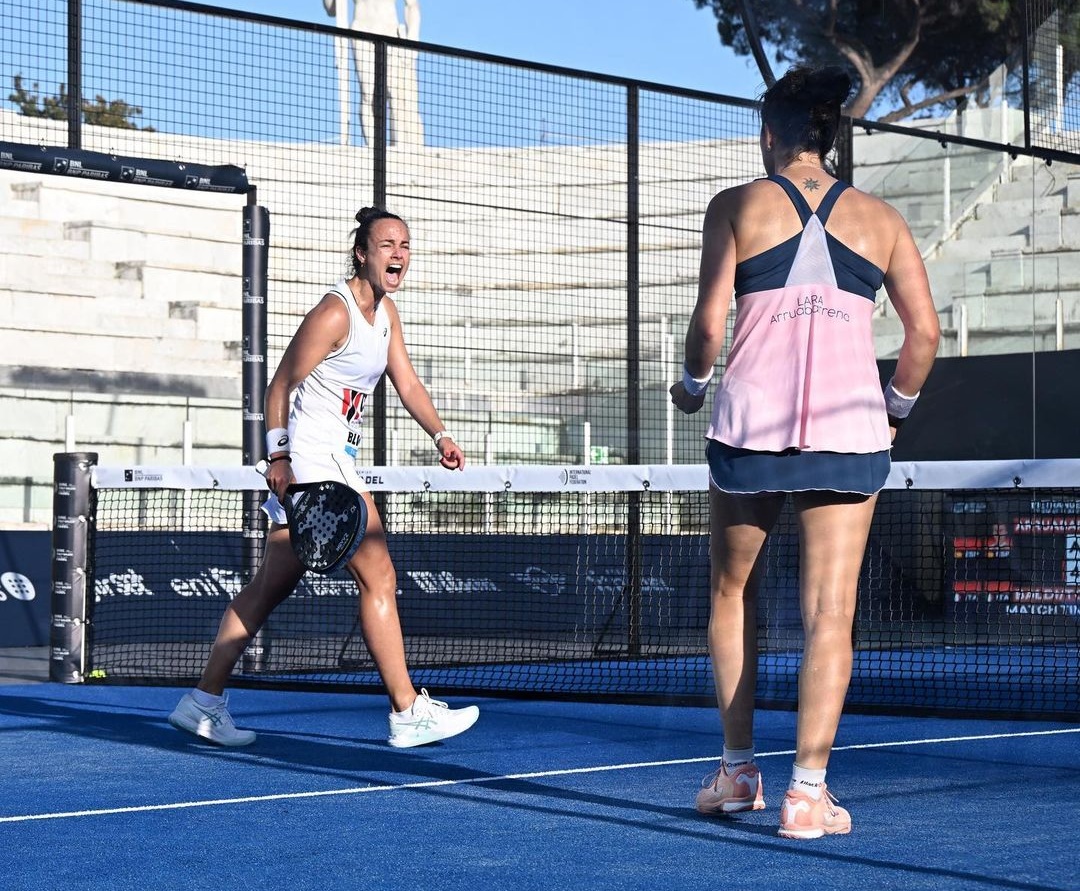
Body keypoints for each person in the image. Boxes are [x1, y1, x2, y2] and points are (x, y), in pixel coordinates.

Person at [670, 66, 940, 839]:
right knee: (832, 612)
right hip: (849, 431)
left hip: (747, 430)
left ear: (769, 135)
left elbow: (708, 327)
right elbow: (923, 334)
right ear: (827, 137)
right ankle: (806, 794)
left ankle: (736, 770)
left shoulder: (735, 205)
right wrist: (892, 413)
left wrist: (691, 385)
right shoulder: (880, 219)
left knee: (731, 594)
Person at [169, 206, 479, 749]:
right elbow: (279, 386)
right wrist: (280, 459)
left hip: (335, 462)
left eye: (405, 245)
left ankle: (202, 702)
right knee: (379, 576)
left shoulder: (387, 316)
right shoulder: (334, 313)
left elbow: (406, 383)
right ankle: (408, 711)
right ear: (362, 252)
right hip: (316, 464)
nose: (399, 254)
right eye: (387, 244)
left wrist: (440, 436)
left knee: (268, 588)